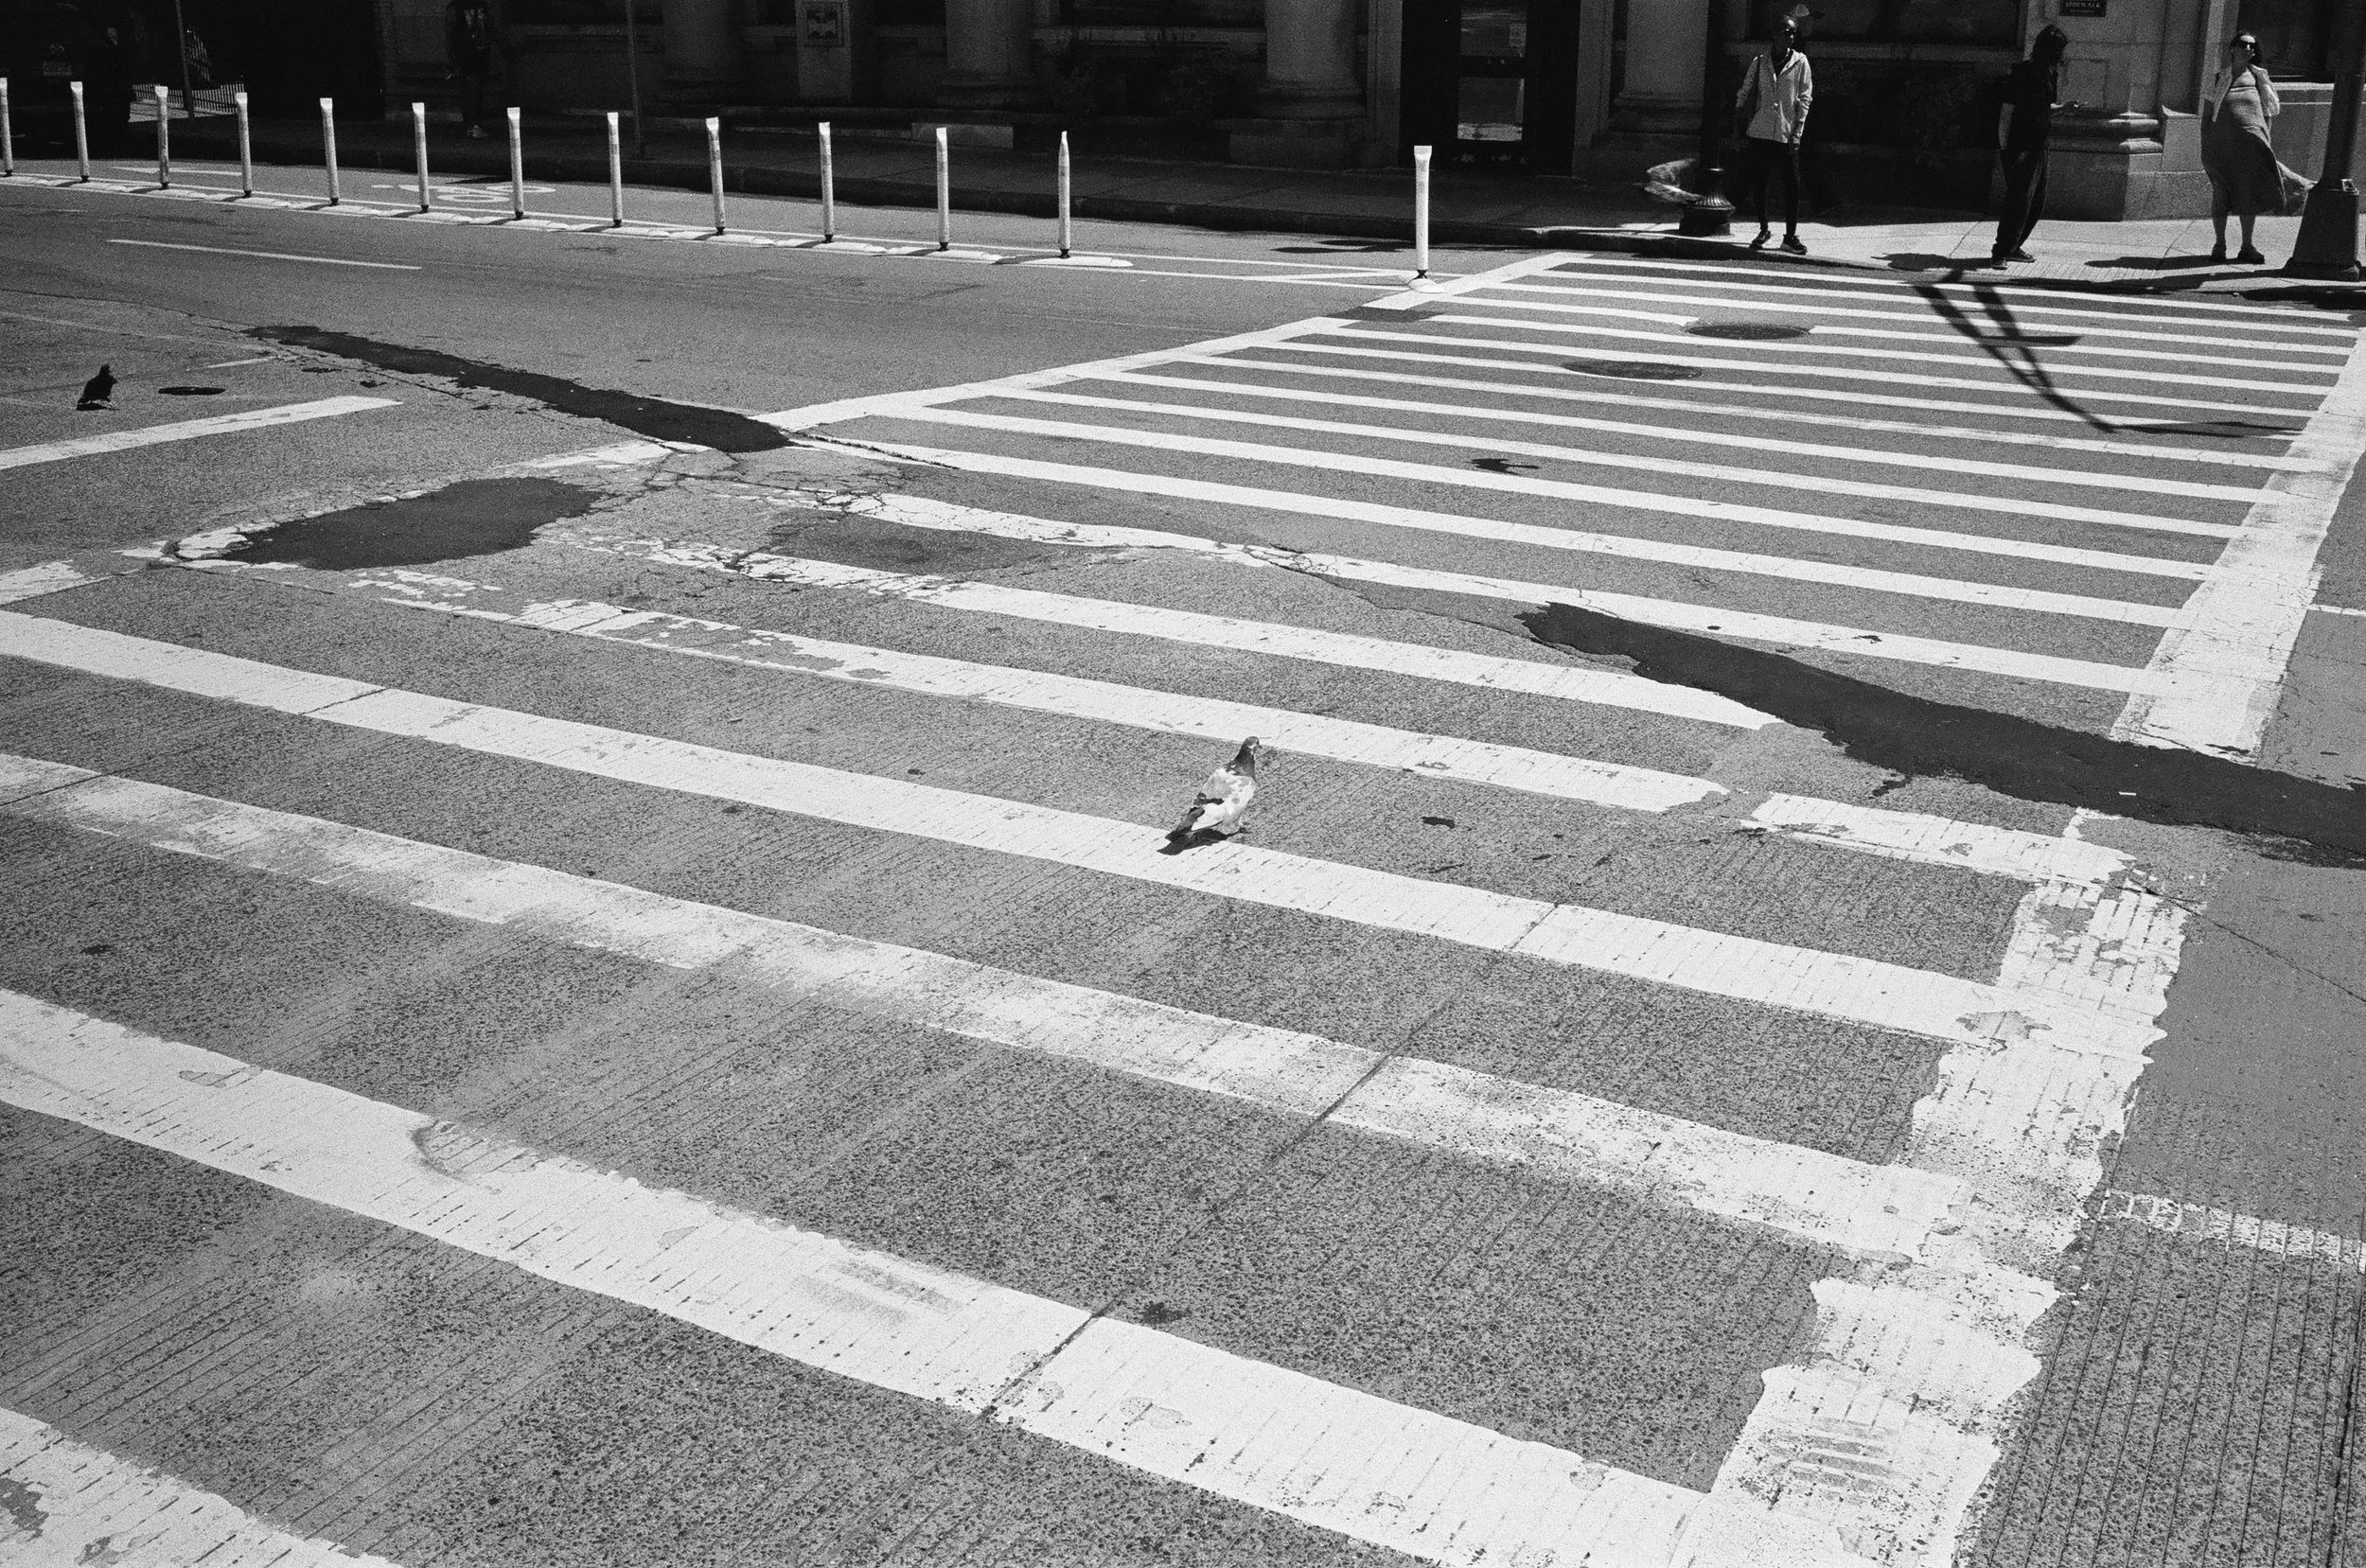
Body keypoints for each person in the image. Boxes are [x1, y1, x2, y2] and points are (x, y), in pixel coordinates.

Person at [2200, 33, 2291, 265]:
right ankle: (2219, 244)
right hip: (2222, 149)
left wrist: (2265, 141)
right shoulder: (2220, 77)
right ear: (2232, 48)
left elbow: (2268, 112)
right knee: (2221, 194)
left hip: (2250, 151)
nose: (2248, 48)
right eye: (2243, 44)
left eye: (2252, 46)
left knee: (2247, 196)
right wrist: (2206, 146)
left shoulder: (2258, 77)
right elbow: (2208, 115)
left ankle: (2246, 246)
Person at [1992, 25, 2073, 265]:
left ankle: (2014, 246)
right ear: (2052, 50)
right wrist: (2005, 148)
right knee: (2018, 200)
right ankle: (2000, 252)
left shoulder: (2050, 73)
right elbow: (2007, 111)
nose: (2062, 56)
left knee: (2036, 201)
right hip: (2022, 146)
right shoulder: (2023, 73)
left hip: (2040, 145)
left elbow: (2044, 110)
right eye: (2060, 50)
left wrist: (2065, 110)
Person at [1733, 15, 1813, 254]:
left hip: (1786, 133)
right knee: (1761, 182)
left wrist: (1797, 133)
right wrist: (1738, 115)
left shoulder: (1800, 63)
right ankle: (1764, 228)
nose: (1790, 37)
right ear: (1774, 35)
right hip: (1760, 130)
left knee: (1792, 184)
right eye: (1785, 32)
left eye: (1792, 33)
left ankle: (1790, 236)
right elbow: (1746, 91)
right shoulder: (1759, 62)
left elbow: (1805, 98)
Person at [445, 0, 496, 139]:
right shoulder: (460, 8)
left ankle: (472, 124)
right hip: (469, 51)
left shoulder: (459, 7)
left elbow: (450, 33)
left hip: (472, 51)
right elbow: (451, 33)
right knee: (472, 90)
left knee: (474, 89)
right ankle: (472, 125)